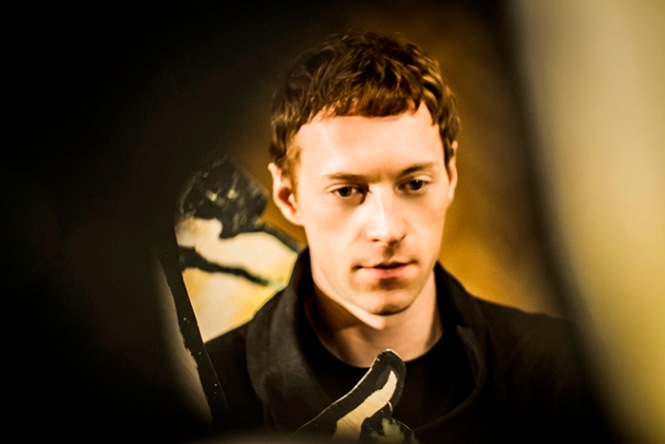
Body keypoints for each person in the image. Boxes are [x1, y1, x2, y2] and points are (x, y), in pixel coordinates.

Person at [205, 30, 615, 443]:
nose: (387, 230)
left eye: (414, 184)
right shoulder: (212, 389)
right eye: (346, 190)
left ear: (450, 176)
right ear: (288, 196)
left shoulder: (565, 370)